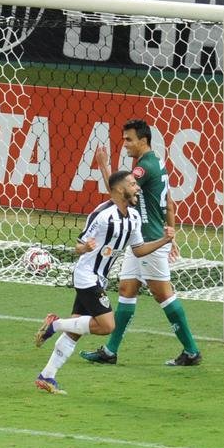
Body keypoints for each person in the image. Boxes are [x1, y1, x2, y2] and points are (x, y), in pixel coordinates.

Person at [32, 171, 176, 394]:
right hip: (86, 275)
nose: (137, 187)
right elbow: (78, 246)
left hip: (100, 277)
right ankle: (54, 324)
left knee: (77, 328)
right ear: (120, 190)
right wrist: (85, 248)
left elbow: (138, 251)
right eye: (132, 184)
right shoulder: (101, 215)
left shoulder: (134, 217)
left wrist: (164, 240)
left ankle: (47, 376)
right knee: (108, 325)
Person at [81, 119, 202, 367]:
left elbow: (117, 193)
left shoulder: (143, 168)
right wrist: (172, 234)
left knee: (163, 294)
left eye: (128, 139)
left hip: (149, 241)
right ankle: (110, 351)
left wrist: (103, 165)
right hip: (144, 238)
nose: (125, 144)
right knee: (127, 289)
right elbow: (169, 202)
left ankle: (191, 351)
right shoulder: (158, 162)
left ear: (143, 140)